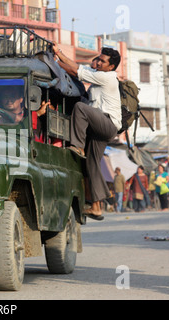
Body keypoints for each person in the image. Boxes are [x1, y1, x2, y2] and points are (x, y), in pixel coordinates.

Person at [52, 43, 122, 220]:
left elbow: (76, 72)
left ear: (111, 67)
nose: (98, 62)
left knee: (81, 107)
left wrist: (54, 63)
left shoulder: (107, 77)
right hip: (100, 127)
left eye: (102, 61)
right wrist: (58, 53)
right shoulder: (99, 77)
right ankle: (96, 207)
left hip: (107, 124)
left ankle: (77, 146)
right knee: (92, 165)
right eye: (98, 59)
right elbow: (77, 67)